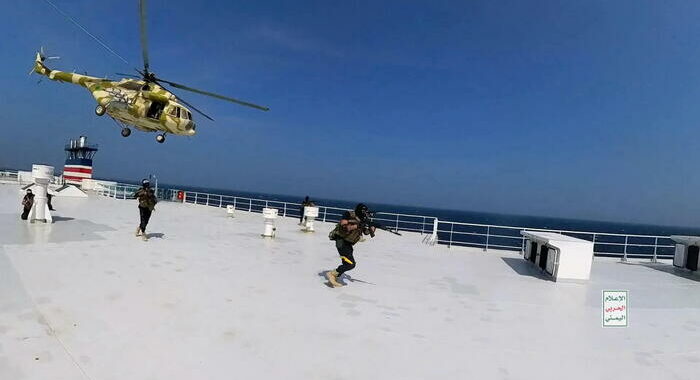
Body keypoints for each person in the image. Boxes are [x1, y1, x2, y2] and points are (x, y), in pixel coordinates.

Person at [325, 203, 376, 287]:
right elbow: (343, 224)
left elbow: (366, 232)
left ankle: (335, 276)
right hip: (341, 241)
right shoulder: (349, 214)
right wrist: (357, 225)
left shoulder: (361, 220)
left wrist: (373, 227)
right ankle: (331, 274)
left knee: (347, 263)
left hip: (348, 244)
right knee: (350, 264)